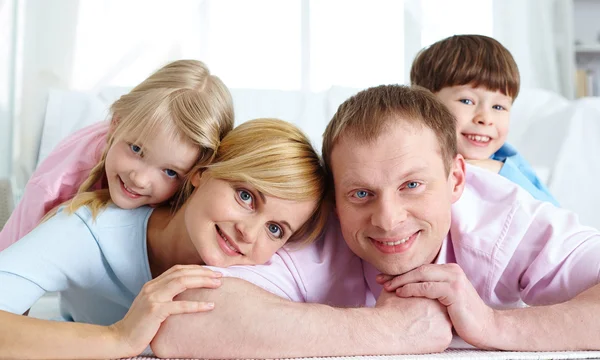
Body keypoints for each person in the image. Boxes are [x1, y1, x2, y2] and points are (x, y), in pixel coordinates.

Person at [151, 85, 600, 358]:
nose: (387, 220)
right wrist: (392, 330)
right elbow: (181, 320)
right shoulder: (313, 228)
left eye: (412, 186)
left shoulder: (503, 220)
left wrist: (493, 325)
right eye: (361, 194)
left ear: (457, 178)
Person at [0, 118, 329, 360]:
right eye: (245, 196)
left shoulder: (267, 276)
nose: (249, 232)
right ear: (201, 173)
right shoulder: (88, 231)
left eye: (276, 229)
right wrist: (118, 337)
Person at [0, 59, 234, 251]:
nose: (140, 179)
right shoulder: (59, 182)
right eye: (136, 149)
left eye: (170, 172)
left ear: (197, 176)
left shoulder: (205, 197)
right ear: (116, 123)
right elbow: (10, 263)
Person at [411, 34, 559, 206]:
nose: (485, 119)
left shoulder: (506, 161)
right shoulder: (410, 155)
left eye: (498, 107)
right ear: (425, 103)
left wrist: (499, 170)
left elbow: (554, 215)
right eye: (467, 101)